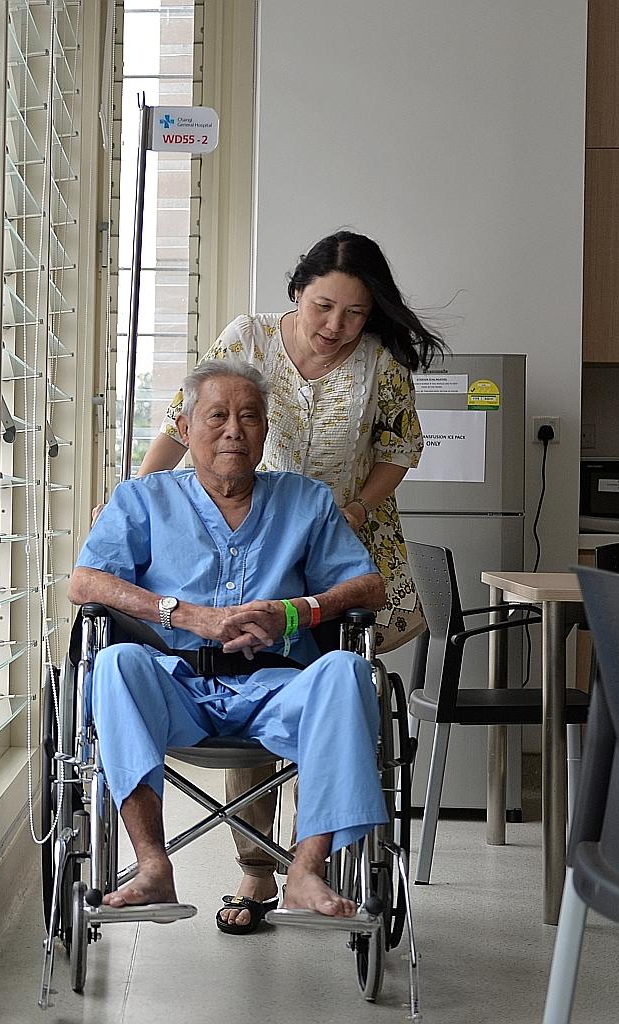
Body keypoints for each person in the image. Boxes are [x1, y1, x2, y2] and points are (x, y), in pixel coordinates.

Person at [133, 229, 444, 932]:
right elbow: (187, 421)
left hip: (335, 550)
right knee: (246, 671)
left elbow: (400, 448)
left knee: (324, 691)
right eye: (323, 306)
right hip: (245, 548)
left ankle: (315, 856)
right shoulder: (248, 337)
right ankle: (256, 871)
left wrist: (358, 509)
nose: (335, 326)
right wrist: (139, 491)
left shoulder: (381, 366)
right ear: (297, 291)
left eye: (355, 314)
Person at [70, 361, 388, 920]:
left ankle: (306, 871)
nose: (233, 430)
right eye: (217, 416)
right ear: (187, 426)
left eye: (249, 417)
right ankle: (152, 866)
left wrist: (297, 612)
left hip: (277, 686)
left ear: (266, 431)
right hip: (177, 687)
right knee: (117, 661)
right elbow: (85, 582)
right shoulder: (142, 500)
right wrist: (187, 615)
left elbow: (368, 585)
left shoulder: (305, 501)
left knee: (345, 671)